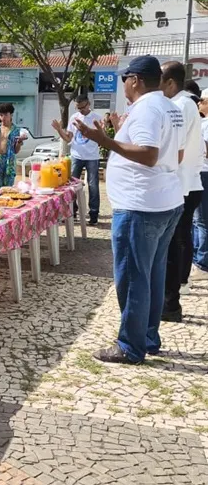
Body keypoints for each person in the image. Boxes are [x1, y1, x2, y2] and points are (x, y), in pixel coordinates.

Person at [74, 55, 184, 364]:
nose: (123, 84)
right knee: (151, 275)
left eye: (125, 79)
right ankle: (147, 337)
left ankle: (131, 346)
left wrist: (105, 140)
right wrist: (121, 131)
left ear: (135, 79)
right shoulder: (166, 106)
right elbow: (166, 150)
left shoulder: (148, 108)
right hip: (163, 200)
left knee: (134, 277)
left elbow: (149, 154)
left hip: (141, 206)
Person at [159, 61, 204, 323]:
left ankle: (171, 303)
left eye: (160, 81)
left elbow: (175, 149)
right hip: (186, 183)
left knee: (174, 246)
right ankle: (171, 299)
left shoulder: (180, 106)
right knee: (177, 243)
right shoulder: (186, 105)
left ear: (171, 83)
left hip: (183, 185)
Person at [52, 95, 103, 225]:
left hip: (92, 156)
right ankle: (71, 212)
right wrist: (59, 129)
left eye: (83, 107)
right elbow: (68, 138)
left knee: (93, 185)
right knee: (71, 186)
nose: (81, 110)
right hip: (76, 155)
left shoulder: (96, 117)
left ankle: (93, 214)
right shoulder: (74, 117)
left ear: (88, 104)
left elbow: (102, 138)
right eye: (78, 108)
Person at [0, 103, 25, 192]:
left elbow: (16, 151)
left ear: (11, 115)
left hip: (9, 163)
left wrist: (19, 142)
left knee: (8, 192)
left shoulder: (17, 131)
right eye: (1, 115)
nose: (3, 118)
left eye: (6, 115)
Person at [194, 96, 208, 280]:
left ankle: (202, 264)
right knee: (198, 221)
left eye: (203, 100)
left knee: (202, 220)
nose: (199, 103)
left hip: (204, 172)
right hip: (201, 172)